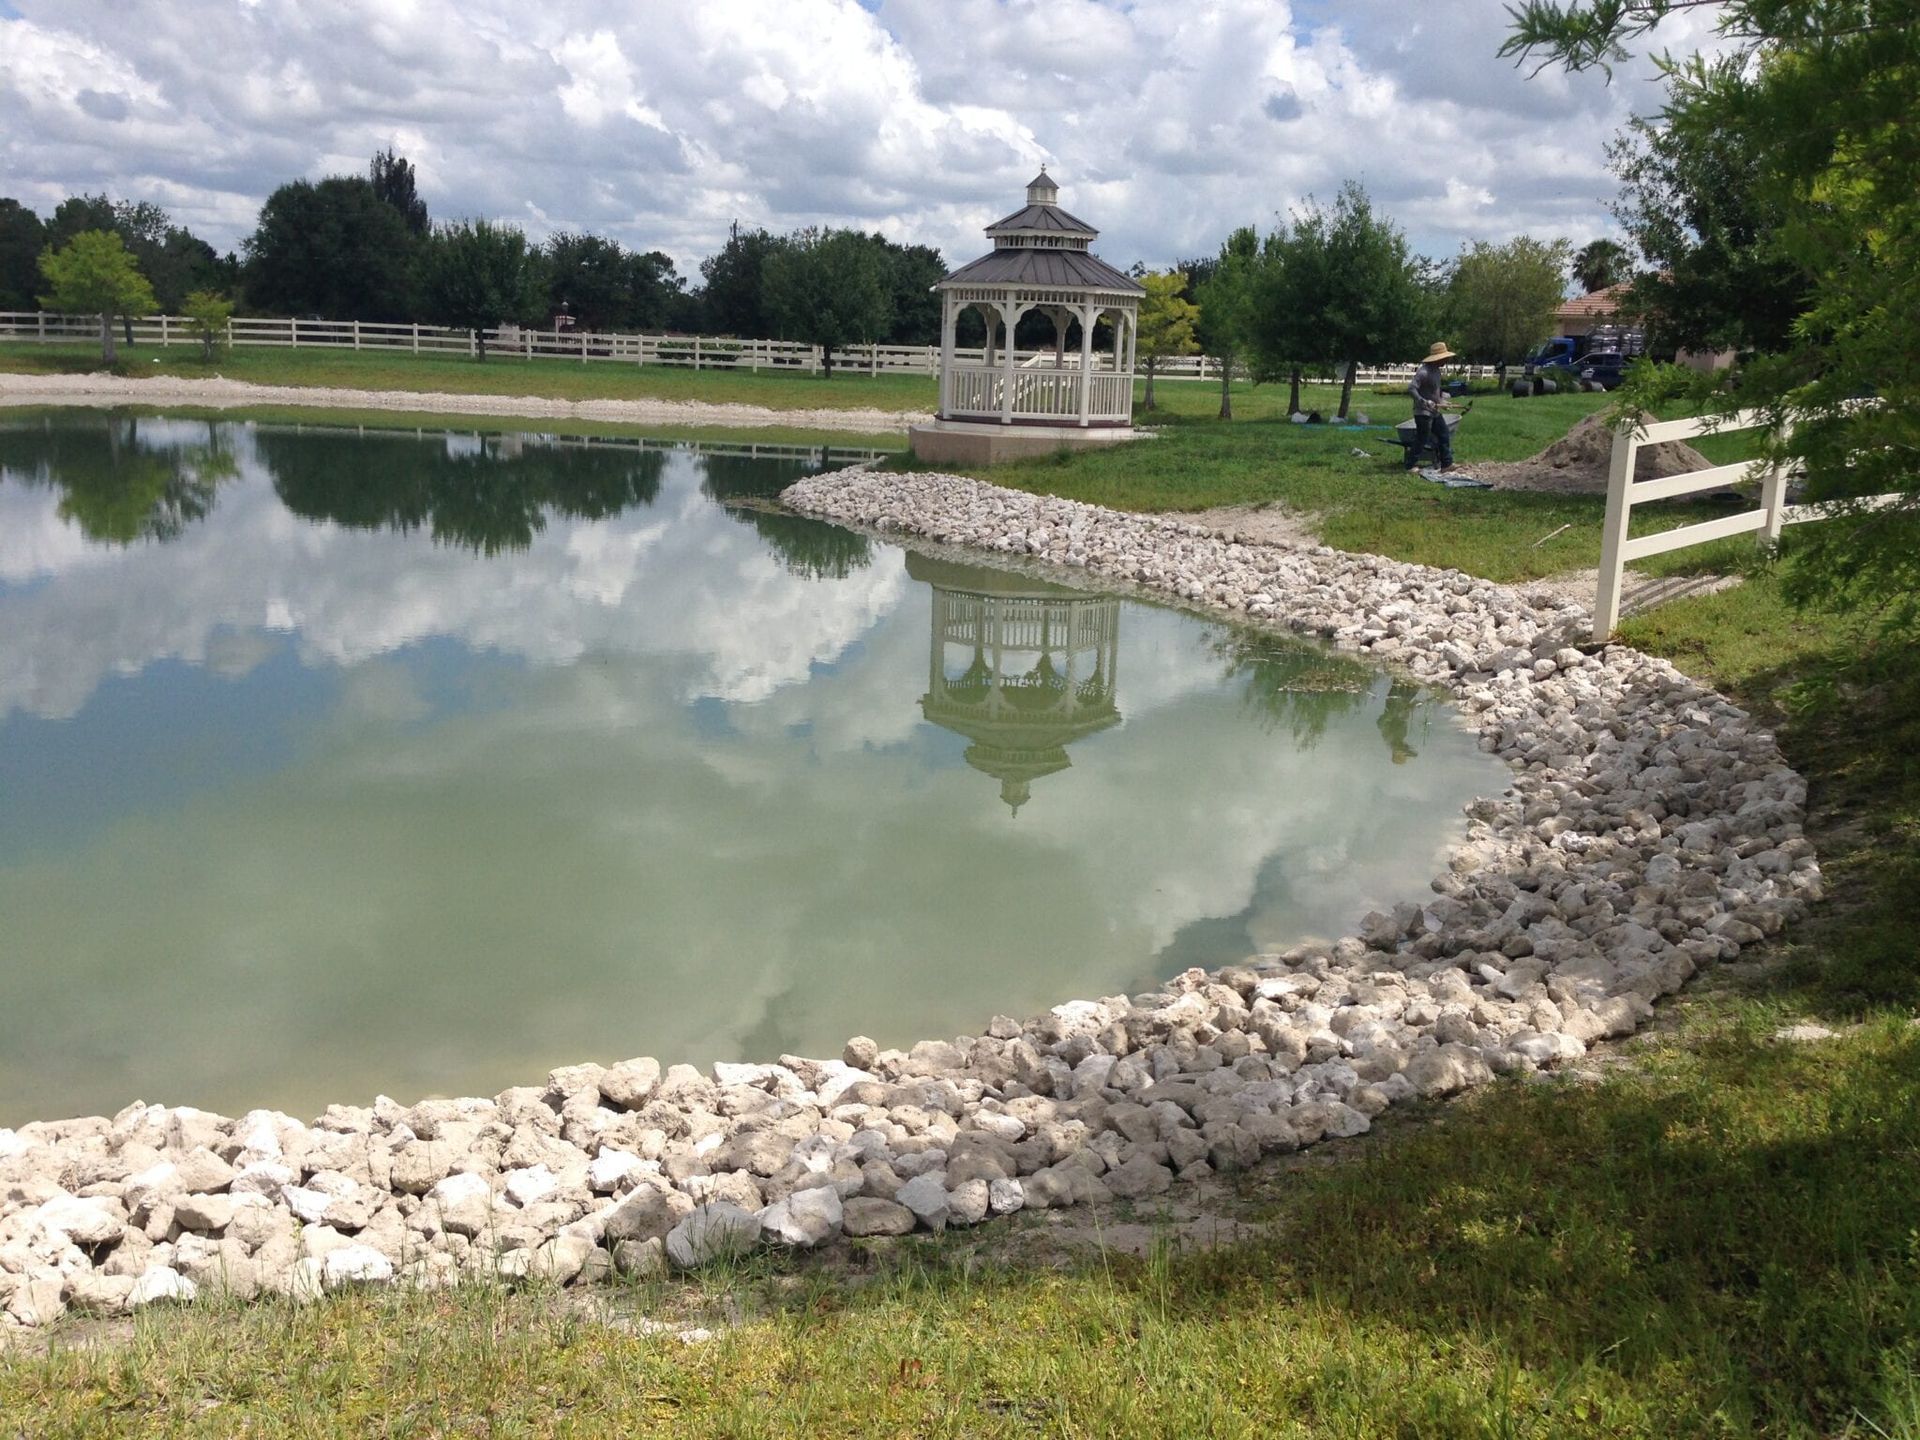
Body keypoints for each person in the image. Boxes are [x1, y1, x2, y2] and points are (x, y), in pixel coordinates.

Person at [1406, 342, 1457, 471]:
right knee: (1422, 438)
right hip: (1423, 412)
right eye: (1445, 358)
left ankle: (1446, 464)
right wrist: (1423, 401)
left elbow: (1435, 391)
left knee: (1443, 434)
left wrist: (1442, 402)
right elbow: (1411, 388)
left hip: (1434, 411)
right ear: (1438, 358)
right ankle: (1411, 465)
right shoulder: (1424, 372)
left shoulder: (1436, 371)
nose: (1447, 360)